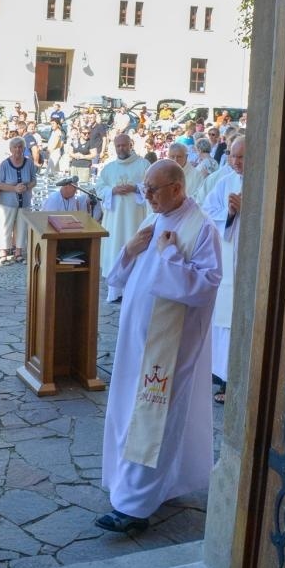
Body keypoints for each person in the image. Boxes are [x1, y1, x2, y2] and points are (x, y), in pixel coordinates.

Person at [96, 159, 222, 532]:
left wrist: (169, 255)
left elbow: (206, 286)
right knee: (129, 411)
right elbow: (119, 277)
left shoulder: (202, 228)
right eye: (144, 188)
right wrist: (130, 250)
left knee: (154, 418)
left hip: (170, 345)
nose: (146, 195)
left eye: (152, 189)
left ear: (177, 188)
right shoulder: (153, 219)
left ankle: (135, 508)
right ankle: (141, 485)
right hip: (136, 340)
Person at [201, 134, 244, 405]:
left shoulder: (263, 182)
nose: (236, 162)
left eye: (242, 157)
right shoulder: (225, 181)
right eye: (233, 156)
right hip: (227, 260)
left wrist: (246, 209)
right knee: (223, 316)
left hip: (246, 260)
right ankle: (220, 373)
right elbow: (207, 211)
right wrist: (228, 214)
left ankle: (234, 378)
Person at [96, 134, 150, 303]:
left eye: (124, 145)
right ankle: (115, 292)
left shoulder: (143, 165)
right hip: (115, 220)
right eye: (118, 146)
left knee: (134, 250)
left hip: (135, 219)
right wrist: (112, 190)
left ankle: (132, 292)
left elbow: (151, 186)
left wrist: (136, 188)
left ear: (130, 145)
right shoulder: (109, 168)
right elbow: (99, 188)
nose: (121, 148)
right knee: (115, 249)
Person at [0, 136, 37, 262]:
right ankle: (3, 252)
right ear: (10, 149)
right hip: (8, 201)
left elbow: (34, 180)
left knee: (22, 227)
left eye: (20, 147)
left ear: (24, 149)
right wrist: (14, 188)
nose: (18, 149)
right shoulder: (4, 164)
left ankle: (18, 252)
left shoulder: (29, 163)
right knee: (5, 226)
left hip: (24, 201)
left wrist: (26, 187)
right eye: (15, 147)